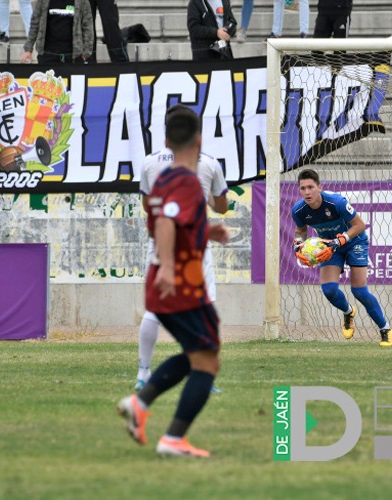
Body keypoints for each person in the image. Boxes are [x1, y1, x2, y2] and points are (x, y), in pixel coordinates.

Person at [117, 106, 230, 458]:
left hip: (167, 279)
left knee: (203, 352)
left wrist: (205, 231)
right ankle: (172, 438)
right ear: (199, 140)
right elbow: (166, 221)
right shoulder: (186, 180)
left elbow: (167, 219)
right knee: (207, 360)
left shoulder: (161, 177)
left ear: (166, 140)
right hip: (178, 280)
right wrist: (168, 267)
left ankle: (141, 402)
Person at [136, 116, 229, 392]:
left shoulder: (150, 163)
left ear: (166, 137)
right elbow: (221, 207)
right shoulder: (209, 163)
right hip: (193, 247)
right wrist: (208, 195)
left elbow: (148, 207)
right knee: (204, 306)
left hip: (160, 247)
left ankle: (143, 373)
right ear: (198, 137)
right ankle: (202, 371)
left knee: (155, 309)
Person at [292, 169, 392, 347]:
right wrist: (298, 244)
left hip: (354, 241)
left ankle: (385, 329)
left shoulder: (336, 202)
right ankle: (348, 312)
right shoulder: (299, 210)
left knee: (359, 291)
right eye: (303, 188)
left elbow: (359, 225)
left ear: (319, 187)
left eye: (310, 187)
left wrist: (341, 239)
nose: (307, 192)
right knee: (329, 290)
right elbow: (300, 231)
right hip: (330, 247)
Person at [21, 0, 94, 64]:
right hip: (47, 55)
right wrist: (28, 49)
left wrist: (86, 52)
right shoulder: (43, 1)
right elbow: (35, 24)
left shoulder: (82, 1)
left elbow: (88, 26)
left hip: (73, 57)